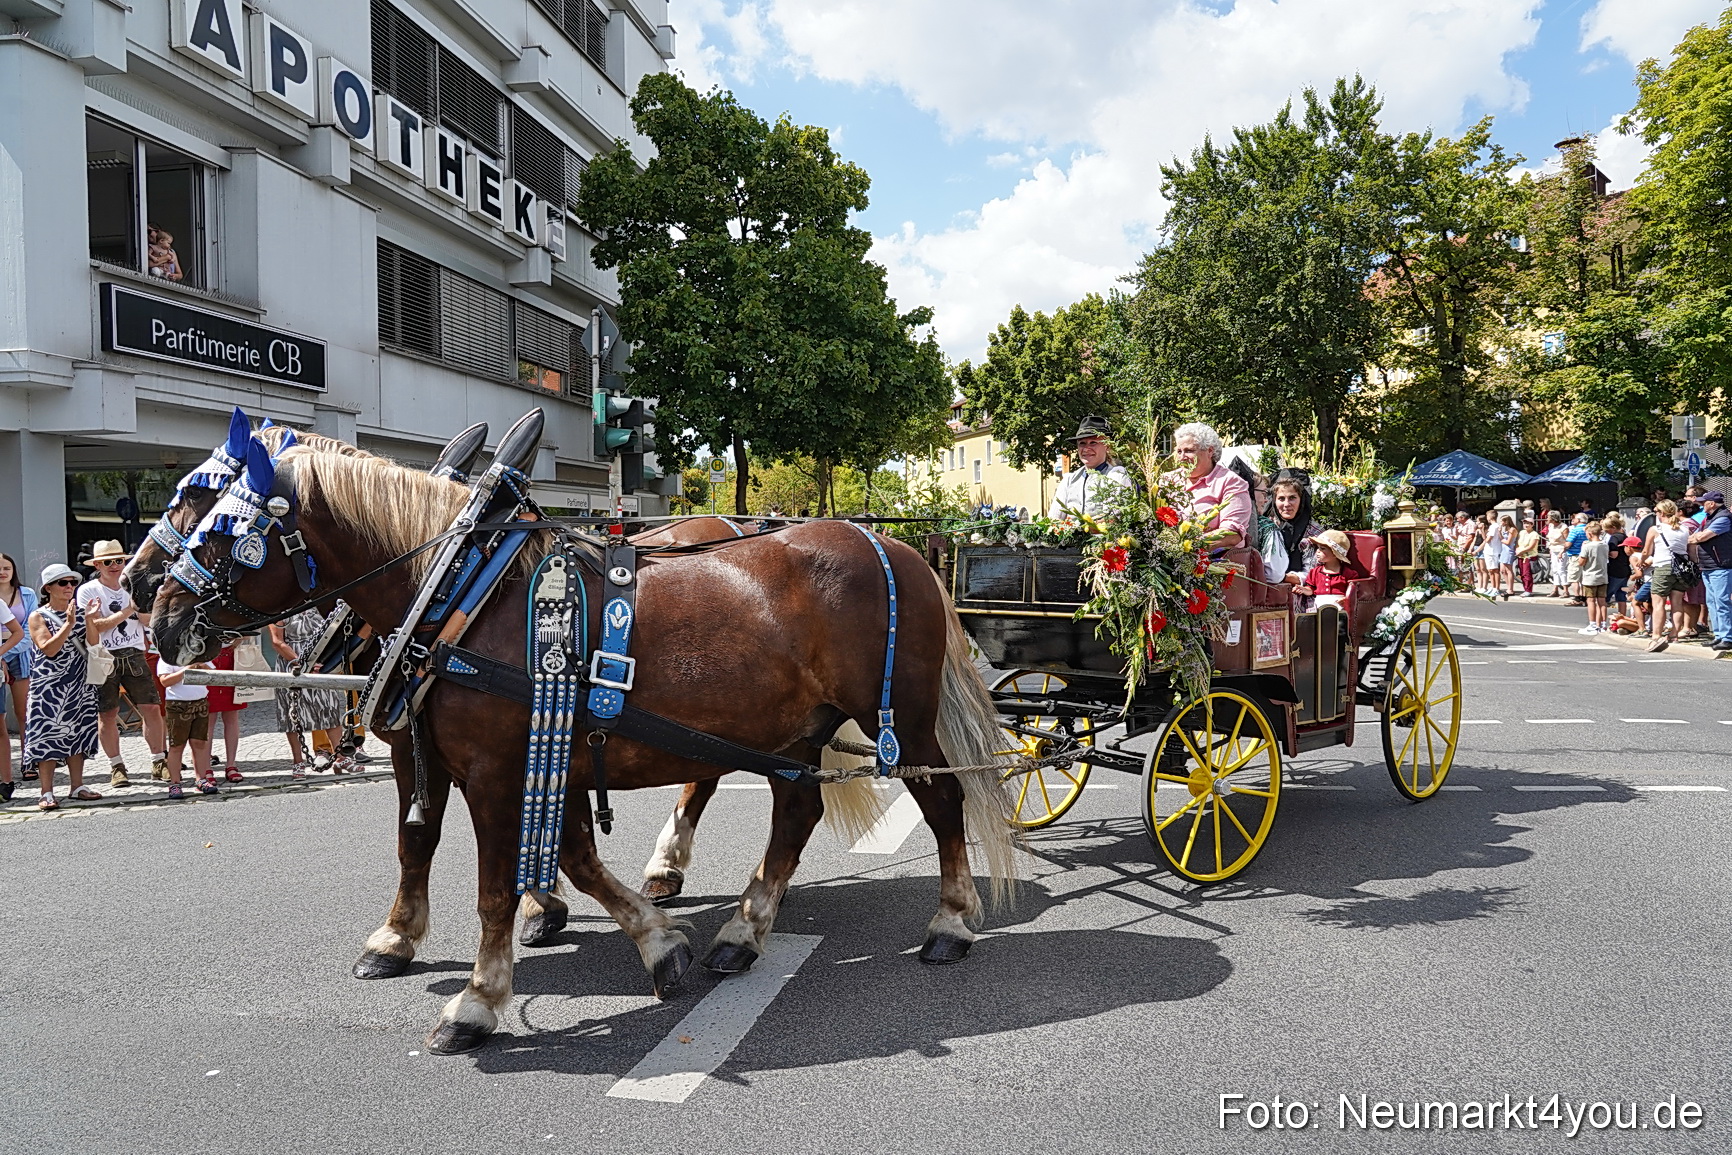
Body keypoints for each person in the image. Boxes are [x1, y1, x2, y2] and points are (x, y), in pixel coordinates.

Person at [77, 540, 165, 787]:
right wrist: (128, 611)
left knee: (151, 708)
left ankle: (159, 761)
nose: (115, 565)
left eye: (119, 560)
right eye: (108, 562)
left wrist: (137, 610)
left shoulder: (134, 585)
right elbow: (93, 628)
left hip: (135, 652)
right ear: (97, 565)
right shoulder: (88, 590)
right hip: (104, 655)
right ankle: (116, 766)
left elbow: (149, 621)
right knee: (107, 714)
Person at [25, 564, 101, 810]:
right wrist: (68, 624)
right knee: (48, 733)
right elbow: (48, 648)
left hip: (79, 679)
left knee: (78, 731)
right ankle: (46, 791)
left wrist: (89, 620)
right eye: (63, 583)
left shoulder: (80, 610)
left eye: (72, 583)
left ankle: (77, 786)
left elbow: (93, 644)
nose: (69, 587)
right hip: (49, 685)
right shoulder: (38, 615)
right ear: (48, 588)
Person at [270, 608, 350, 778]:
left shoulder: (317, 606)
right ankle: (298, 761)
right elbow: (277, 641)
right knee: (291, 713)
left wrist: (324, 660)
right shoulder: (280, 609)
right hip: (291, 663)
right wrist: (303, 662)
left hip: (320, 662)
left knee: (329, 706)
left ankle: (340, 757)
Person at [1165, 422, 1253, 548]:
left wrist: (1187, 547)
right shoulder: (1167, 480)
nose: (1182, 457)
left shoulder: (1231, 483)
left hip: (1215, 562)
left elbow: (1231, 533)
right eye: (1179, 451)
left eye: (1189, 451)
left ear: (1210, 451)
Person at [1047, 415, 1134, 521]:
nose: (1086, 449)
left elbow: (1118, 519)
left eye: (1093, 443)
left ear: (1107, 445)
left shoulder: (1117, 477)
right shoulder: (1069, 481)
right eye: (1082, 443)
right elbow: (1053, 520)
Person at [155, 657, 217, 798]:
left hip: (200, 703)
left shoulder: (201, 656)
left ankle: (201, 778)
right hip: (177, 705)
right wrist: (185, 671)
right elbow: (164, 681)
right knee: (177, 745)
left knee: (199, 742)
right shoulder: (167, 658)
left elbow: (212, 675)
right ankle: (175, 783)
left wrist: (202, 666)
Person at [1640, 500, 1694, 653]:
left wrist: (1641, 562)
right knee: (1677, 602)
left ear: (1662, 513)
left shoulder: (1656, 529)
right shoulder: (1684, 529)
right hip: (1681, 568)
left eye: (1656, 511)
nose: (1655, 513)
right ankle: (1675, 633)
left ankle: (1656, 635)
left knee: (1659, 603)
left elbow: (1646, 551)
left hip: (1663, 566)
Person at [1227, 458, 1288, 581]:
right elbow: (1274, 574)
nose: (1266, 500)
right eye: (1264, 493)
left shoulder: (1215, 520)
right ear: (1250, 493)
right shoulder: (1267, 527)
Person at [0, 553, 36, 759]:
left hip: (20, 654)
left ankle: (28, 758)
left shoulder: (27, 594)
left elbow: (30, 632)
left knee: (24, 712)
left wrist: (4, 654)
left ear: (13, 571)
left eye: (6, 568)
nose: (2, 572)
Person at [1689, 490, 1732, 655]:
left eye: (1703, 502)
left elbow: (1700, 537)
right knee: (1712, 602)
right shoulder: (1709, 518)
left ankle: (1727, 638)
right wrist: (1696, 537)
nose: (1700, 505)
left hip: (1720, 566)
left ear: (1711, 503)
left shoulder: (1723, 518)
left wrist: (1697, 537)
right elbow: (1693, 537)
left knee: (1721, 602)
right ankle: (1719, 635)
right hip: (1708, 566)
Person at [1268, 471, 1323, 588]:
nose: (1286, 504)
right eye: (1281, 499)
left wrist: (1280, 577)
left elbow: (1314, 573)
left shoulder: (1314, 532)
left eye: (1292, 498)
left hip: (1304, 591)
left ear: (1301, 500)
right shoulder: (1267, 527)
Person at [206, 641, 248, 781]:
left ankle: (231, 764)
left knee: (232, 717)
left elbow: (250, 627)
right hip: (207, 656)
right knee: (208, 719)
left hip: (233, 659)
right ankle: (205, 766)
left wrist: (238, 639)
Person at [1297, 529, 1356, 610]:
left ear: (1335, 554)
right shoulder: (1315, 572)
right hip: (1319, 608)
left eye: (1323, 548)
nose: (1318, 551)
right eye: (1318, 548)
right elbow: (1311, 589)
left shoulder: (1348, 574)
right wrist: (1303, 590)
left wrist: (1346, 599)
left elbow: (1354, 593)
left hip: (1340, 609)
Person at [1577, 520, 1609, 634]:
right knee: (1602, 601)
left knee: (1591, 601)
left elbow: (1581, 562)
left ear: (1590, 533)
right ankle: (1604, 625)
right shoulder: (1605, 544)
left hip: (1590, 577)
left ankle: (1592, 624)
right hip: (1603, 576)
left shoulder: (1587, 546)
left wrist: (1582, 548)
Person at [1603, 513, 1633, 624]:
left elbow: (1614, 554)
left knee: (1606, 595)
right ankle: (1622, 618)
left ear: (1613, 528)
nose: (1606, 532)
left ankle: (1601, 621)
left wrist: (1605, 553)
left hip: (1615, 570)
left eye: (1607, 530)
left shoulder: (1614, 539)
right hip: (1625, 569)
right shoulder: (1625, 537)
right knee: (1621, 596)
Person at [1515, 515, 1543, 597]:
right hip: (1520, 556)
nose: (1526, 525)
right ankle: (1525, 589)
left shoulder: (1534, 534)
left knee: (1527, 574)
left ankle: (1528, 590)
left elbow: (1531, 546)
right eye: (1524, 523)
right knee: (1522, 574)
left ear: (1532, 524)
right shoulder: (1521, 532)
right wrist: (1517, 550)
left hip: (1529, 556)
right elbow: (1517, 543)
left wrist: (1522, 551)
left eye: (1528, 523)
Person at [1545, 511, 1569, 598]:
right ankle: (1555, 589)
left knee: (1561, 569)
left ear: (1553, 518)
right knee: (1554, 569)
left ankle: (1565, 590)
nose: (1547, 518)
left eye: (1548, 517)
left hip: (1561, 549)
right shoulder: (1551, 526)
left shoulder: (1563, 527)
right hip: (1553, 549)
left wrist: (1562, 551)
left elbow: (1567, 541)